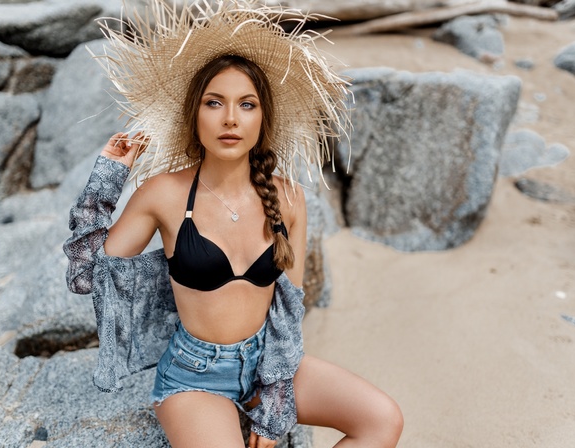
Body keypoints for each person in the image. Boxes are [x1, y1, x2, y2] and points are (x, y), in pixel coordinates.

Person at [64, 1, 403, 447]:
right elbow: (85, 275)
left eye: (246, 104)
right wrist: (108, 176)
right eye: (214, 103)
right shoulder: (164, 194)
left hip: (266, 362)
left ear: (262, 119)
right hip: (194, 377)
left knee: (382, 420)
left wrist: (276, 394)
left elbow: (287, 309)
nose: (230, 118)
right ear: (195, 115)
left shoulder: (289, 199)